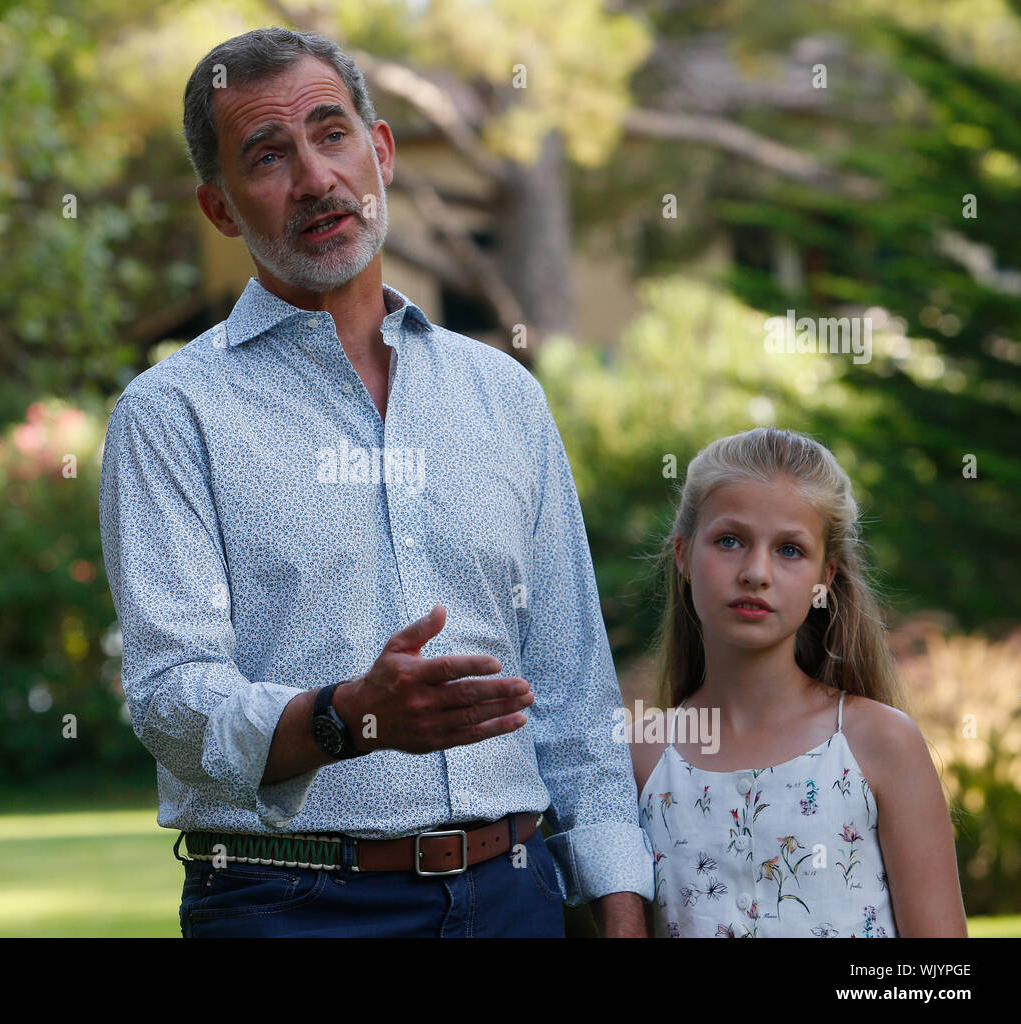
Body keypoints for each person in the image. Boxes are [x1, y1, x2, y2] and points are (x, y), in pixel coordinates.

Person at [97, 26, 653, 937]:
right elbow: (171, 698)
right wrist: (347, 716)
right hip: (288, 906)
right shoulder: (170, 415)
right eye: (268, 155)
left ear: (381, 152)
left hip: (513, 898)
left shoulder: (504, 397)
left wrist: (619, 910)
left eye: (332, 134)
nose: (315, 178)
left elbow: (574, 689)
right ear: (221, 209)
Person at [630, 426, 968, 937]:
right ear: (682, 555)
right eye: (729, 540)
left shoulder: (879, 742)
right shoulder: (645, 757)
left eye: (789, 550)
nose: (756, 572)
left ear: (824, 578)